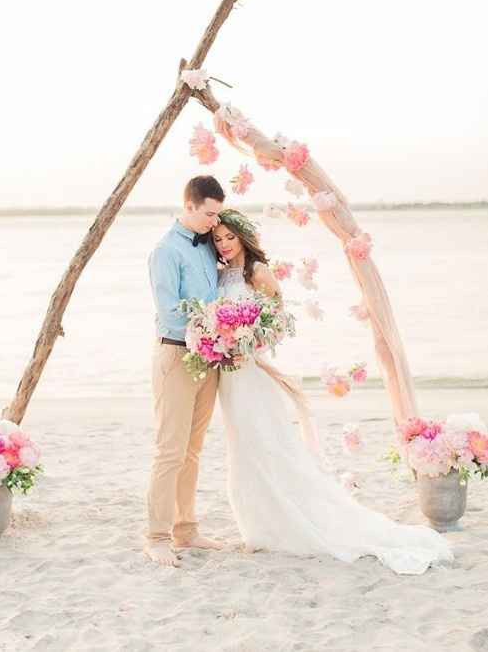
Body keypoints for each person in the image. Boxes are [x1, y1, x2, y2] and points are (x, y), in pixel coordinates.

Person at [213, 208, 454, 575]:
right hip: (229, 376)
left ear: (243, 237)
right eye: (218, 239)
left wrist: (249, 340)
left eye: (230, 237)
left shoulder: (258, 273)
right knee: (242, 447)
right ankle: (259, 525)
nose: (224, 245)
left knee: (267, 443)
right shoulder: (220, 273)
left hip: (252, 372)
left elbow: (278, 324)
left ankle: (289, 521)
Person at [145, 175, 225, 567]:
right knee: (169, 451)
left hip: (210, 359)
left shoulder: (209, 246)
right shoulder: (165, 251)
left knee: (193, 451)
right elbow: (169, 312)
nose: (214, 221)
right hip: (176, 356)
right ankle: (156, 536)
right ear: (190, 205)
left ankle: (186, 529)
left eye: (217, 214)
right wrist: (215, 324)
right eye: (209, 213)